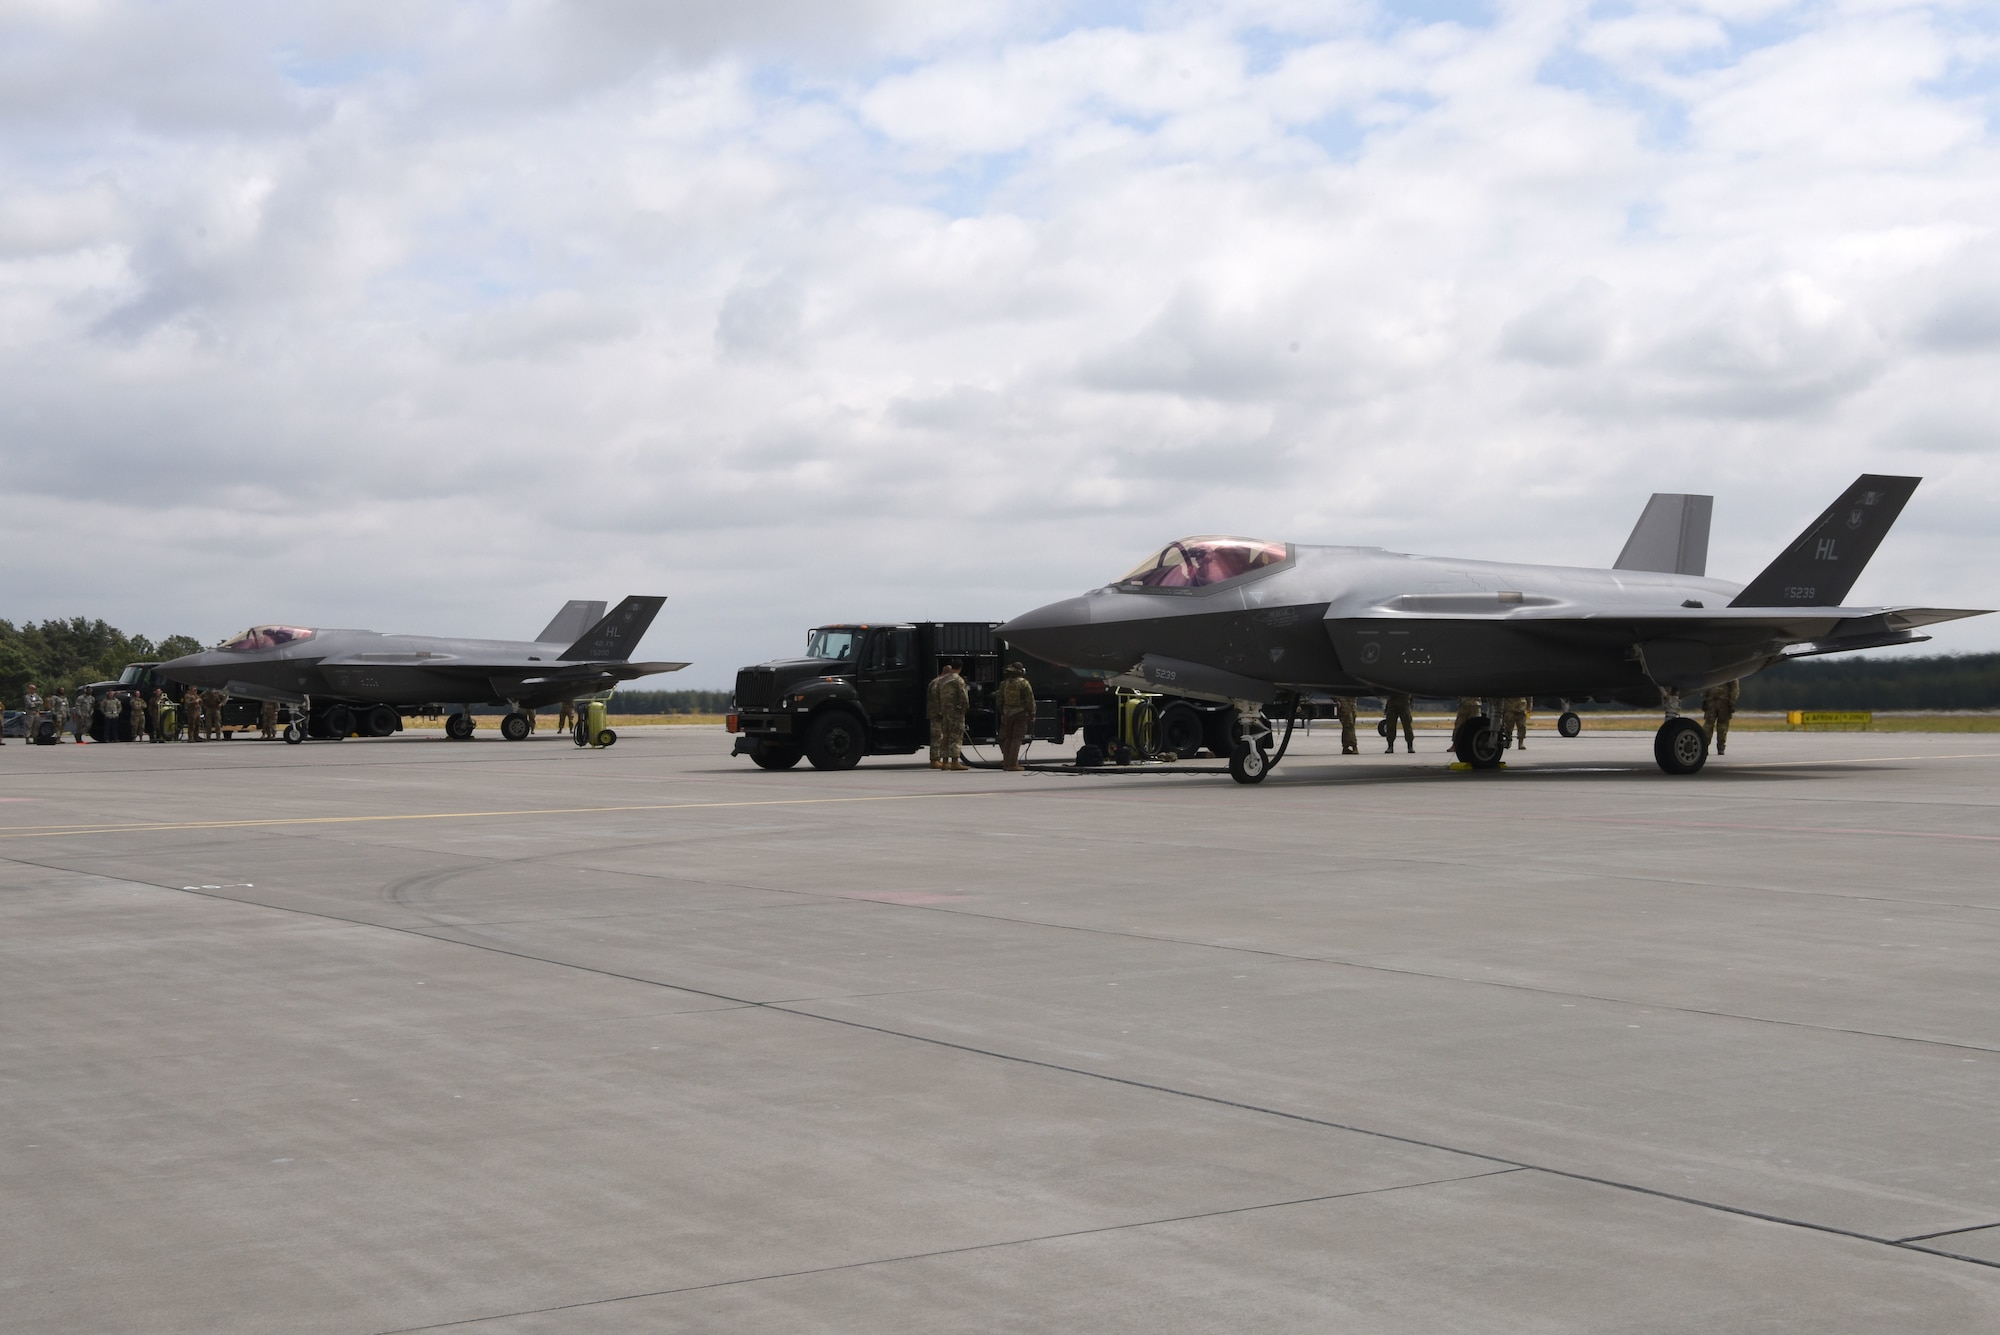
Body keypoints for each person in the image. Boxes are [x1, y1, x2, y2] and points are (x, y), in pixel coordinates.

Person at [928, 660, 970, 772]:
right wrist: (965, 708)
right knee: (956, 736)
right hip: (955, 712)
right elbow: (963, 696)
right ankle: (955, 762)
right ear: (960, 668)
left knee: (945, 736)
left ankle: (945, 762)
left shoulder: (941, 681)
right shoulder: (958, 680)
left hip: (943, 712)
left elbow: (935, 697)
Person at [996, 661, 1035, 771]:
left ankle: (1006, 763)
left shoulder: (1004, 683)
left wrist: (1002, 712)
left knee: (1008, 738)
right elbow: (1030, 700)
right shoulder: (1024, 683)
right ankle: (1013, 764)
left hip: (1007, 713)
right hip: (1020, 713)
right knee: (1017, 739)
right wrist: (1032, 713)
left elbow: (999, 700)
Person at [1702, 678, 1741, 755]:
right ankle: (1720, 748)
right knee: (1722, 725)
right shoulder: (1731, 671)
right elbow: (1735, 689)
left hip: (1711, 700)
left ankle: (1704, 746)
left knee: (1708, 724)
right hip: (1724, 701)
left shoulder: (1713, 670)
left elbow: (1705, 685)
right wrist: (1732, 702)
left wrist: (1704, 699)